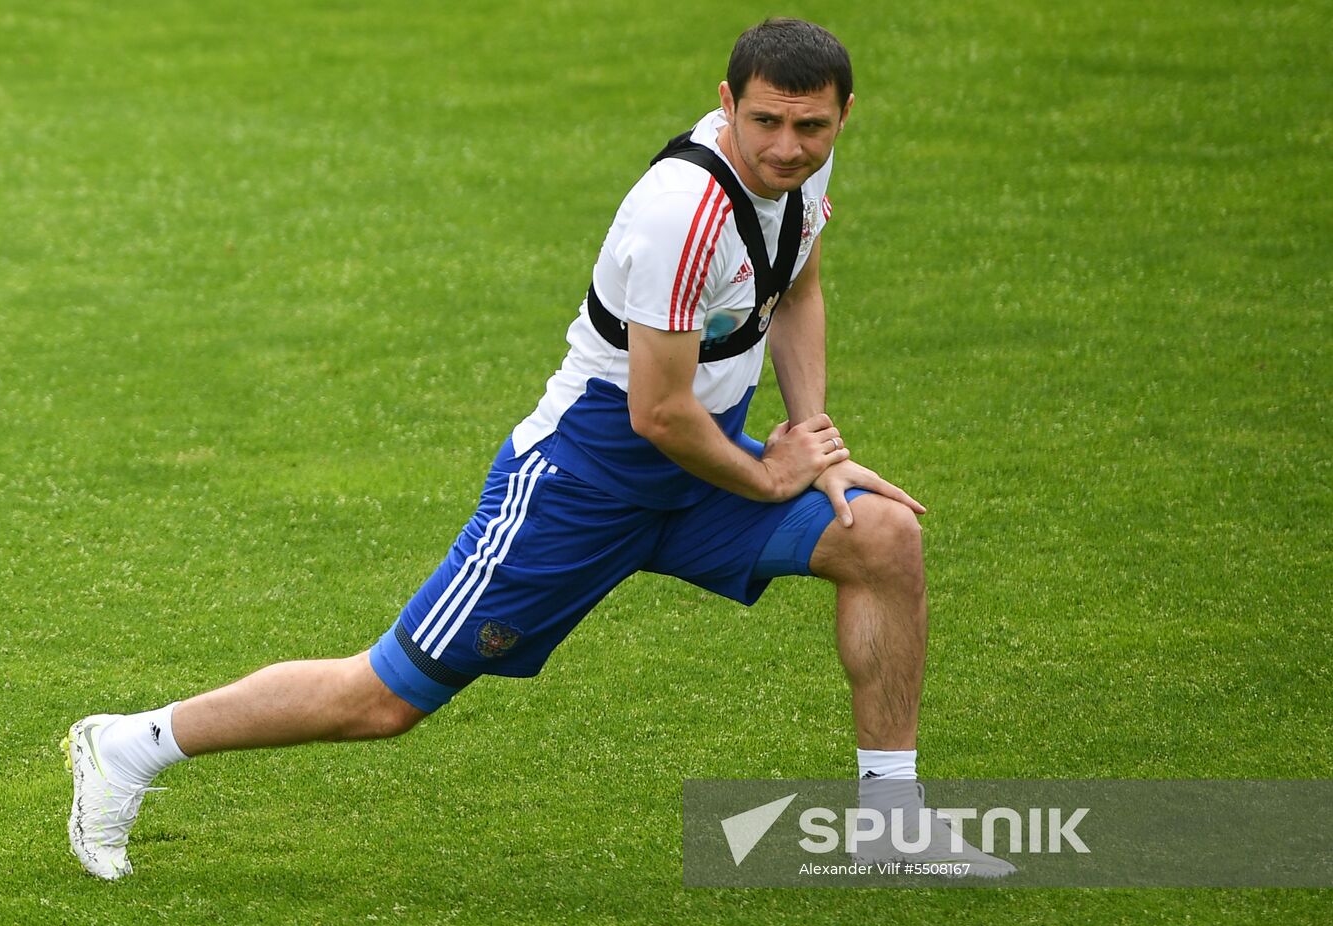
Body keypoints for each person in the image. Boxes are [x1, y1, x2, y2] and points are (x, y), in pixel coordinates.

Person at [64, 17, 1013, 880]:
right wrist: (772, 470)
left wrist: (819, 440)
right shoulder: (677, 215)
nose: (787, 148)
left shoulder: (801, 172)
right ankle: (131, 743)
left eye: (812, 128)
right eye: (766, 122)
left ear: (844, 114)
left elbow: (796, 287)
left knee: (883, 538)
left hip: (703, 467)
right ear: (727, 104)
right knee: (384, 699)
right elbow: (657, 414)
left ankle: (891, 817)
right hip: (589, 476)